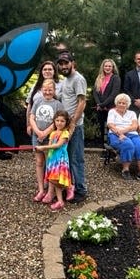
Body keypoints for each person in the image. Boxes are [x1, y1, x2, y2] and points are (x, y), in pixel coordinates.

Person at [57, 51, 87, 202]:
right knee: (66, 158)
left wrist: (73, 123)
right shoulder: (65, 80)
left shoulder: (78, 79)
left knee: (76, 158)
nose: (63, 66)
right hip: (65, 127)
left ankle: (81, 190)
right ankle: (70, 187)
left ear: (72, 63)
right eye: (61, 64)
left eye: (66, 63)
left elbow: (82, 102)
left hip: (75, 127)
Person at [30, 79, 64, 202]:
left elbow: (57, 122)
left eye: (50, 90)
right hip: (36, 136)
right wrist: (37, 132)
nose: (47, 92)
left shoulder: (57, 104)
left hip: (50, 138)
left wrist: (44, 133)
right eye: (45, 90)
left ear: (54, 90)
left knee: (50, 164)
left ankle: (50, 192)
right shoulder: (38, 101)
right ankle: (41, 190)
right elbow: (32, 117)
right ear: (41, 90)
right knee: (39, 162)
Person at [107, 93, 140, 181]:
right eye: (120, 102)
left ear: (128, 104)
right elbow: (111, 125)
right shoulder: (112, 112)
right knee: (128, 144)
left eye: (124, 103)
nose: (122, 105)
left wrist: (123, 131)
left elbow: (135, 126)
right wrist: (120, 133)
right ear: (116, 103)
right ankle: (125, 170)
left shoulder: (132, 113)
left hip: (132, 134)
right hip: (115, 135)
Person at [36, 110, 72, 212]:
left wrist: (43, 147)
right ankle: (60, 201)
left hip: (60, 160)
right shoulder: (52, 133)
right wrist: (42, 149)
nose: (59, 123)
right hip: (52, 160)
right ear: (54, 121)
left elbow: (57, 145)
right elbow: (50, 147)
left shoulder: (65, 133)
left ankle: (69, 187)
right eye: (57, 120)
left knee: (55, 180)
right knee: (52, 179)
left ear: (66, 122)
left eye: (62, 121)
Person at [25, 61, 62, 138]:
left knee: (51, 150)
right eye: (45, 69)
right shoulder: (36, 85)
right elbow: (30, 105)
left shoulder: (61, 85)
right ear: (41, 72)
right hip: (36, 128)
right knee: (37, 149)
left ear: (54, 71)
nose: (47, 71)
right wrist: (28, 124)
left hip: (54, 128)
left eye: (50, 69)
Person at [92, 58, 121, 144]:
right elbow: (95, 92)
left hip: (110, 109)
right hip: (100, 109)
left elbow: (114, 94)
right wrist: (99, 104)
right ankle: (103, 147)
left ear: (113, 67)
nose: (107, 68)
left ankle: (111, 148)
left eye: (109, 66)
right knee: (102, 129)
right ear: (103, 67)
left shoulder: (115, 78)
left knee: (110, 130)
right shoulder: (99, 78)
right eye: (106, 66)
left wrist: (103, 104)